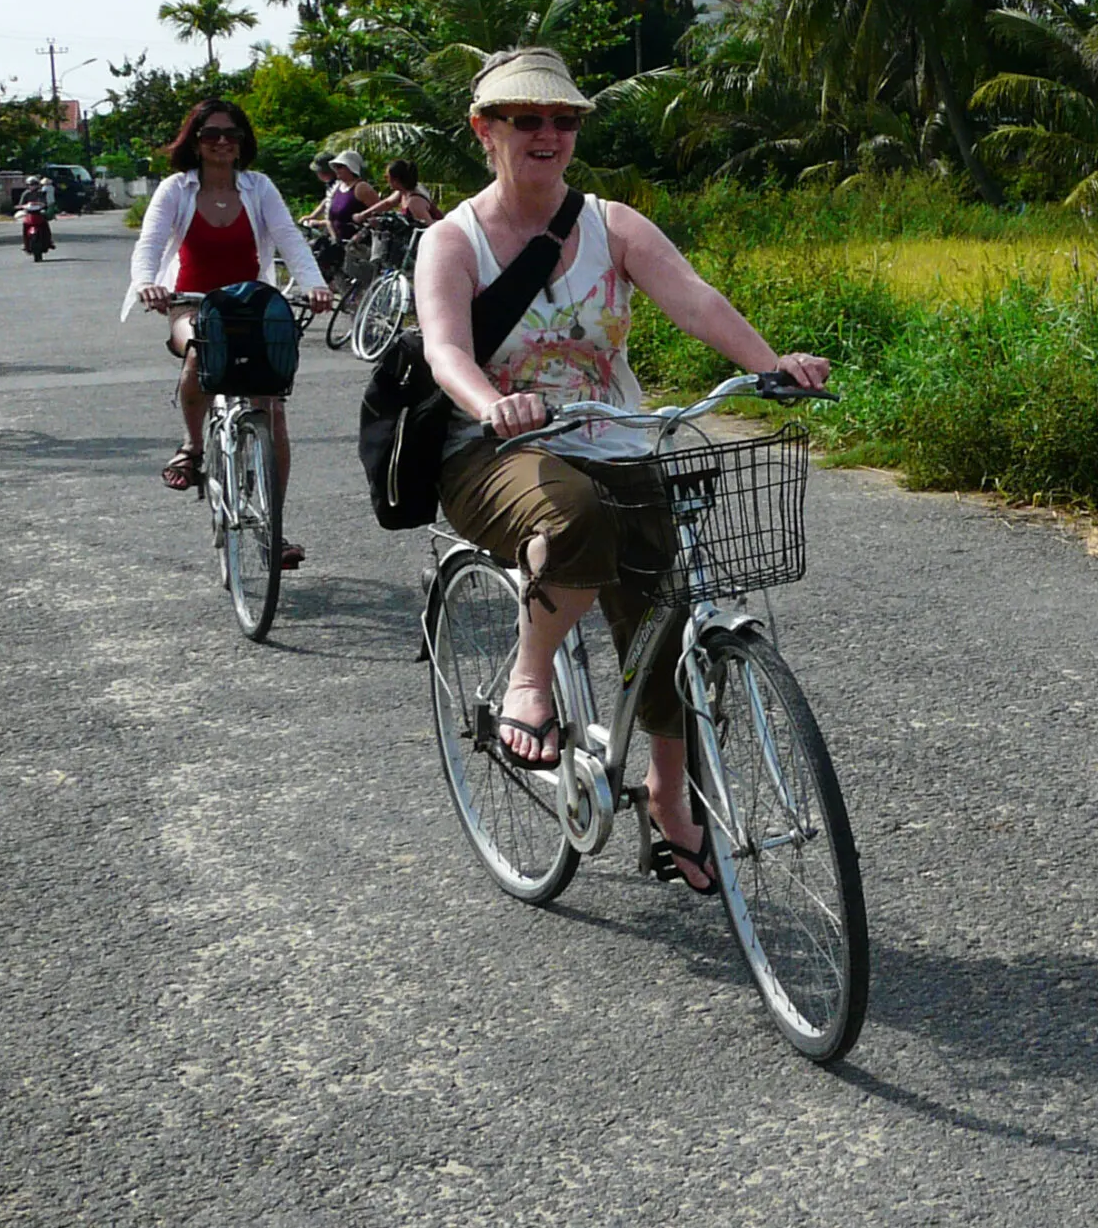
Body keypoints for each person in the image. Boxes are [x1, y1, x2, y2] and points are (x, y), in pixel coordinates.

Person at [420, 47, 829, 893]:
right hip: (494, 452)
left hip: (618, 437)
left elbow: (695, 298)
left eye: (563, 120)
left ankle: (668, 801)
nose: (548, 134)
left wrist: (770, 364)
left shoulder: (612, 224)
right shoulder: (452, 240)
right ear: (484, 130)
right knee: (573, 519)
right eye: (526, 119)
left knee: (671, 624)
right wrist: (490, 401)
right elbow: (445, 351)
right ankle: (529, 679)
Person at [125, 99, 334, 565]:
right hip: (191, 303)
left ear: (242, 144)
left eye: (231, 134)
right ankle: (193, 446)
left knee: (272, 407)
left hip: (251, 306)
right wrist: (146, 284)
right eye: (211, 134)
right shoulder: (176, 190)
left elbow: (290, 240)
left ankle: (273, 528)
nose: (222, 142)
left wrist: (315, 286)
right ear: (194, 142)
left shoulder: (258, 188)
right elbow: (151, 243)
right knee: (200, 350)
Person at [304, 147, 373, 282]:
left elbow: (377, 213)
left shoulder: (361, 187)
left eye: (340, 167)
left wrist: (359, 233)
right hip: (336, 238)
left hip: (354, 242)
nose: (336, 171)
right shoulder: (338, 187)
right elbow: (329, 211)